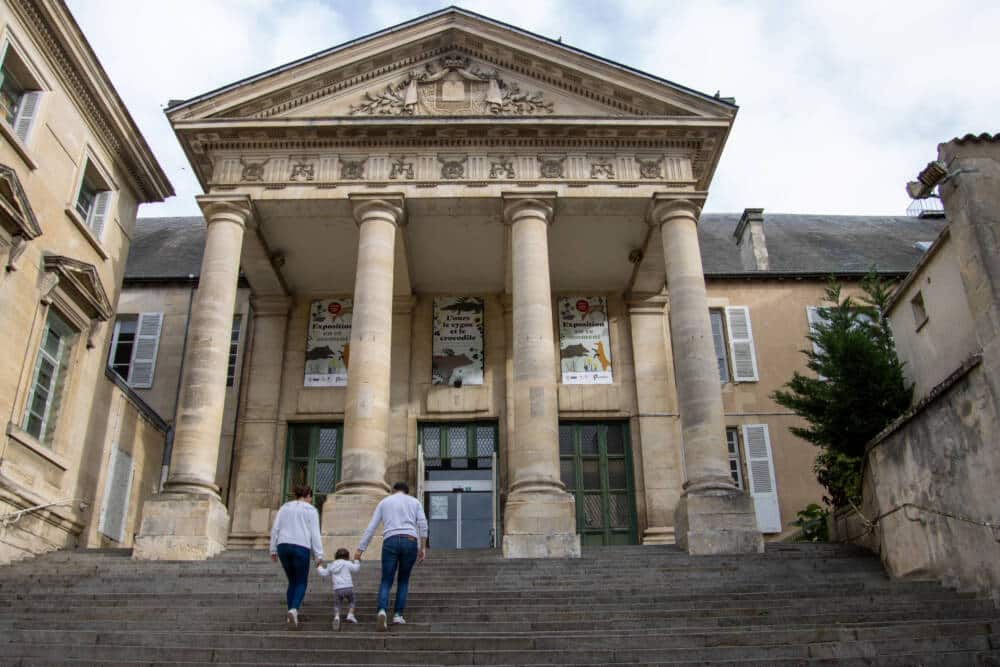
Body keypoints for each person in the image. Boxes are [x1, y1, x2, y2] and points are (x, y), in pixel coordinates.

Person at [354, 481, 428, 632]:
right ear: (406, 491)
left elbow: (371, 527)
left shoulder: (384, 502)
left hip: (390, 540)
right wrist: (423, 546)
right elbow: (423, 524)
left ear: (394, 490)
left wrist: (360, 549)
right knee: (403, 580)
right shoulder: (415, 502)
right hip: (410, 540)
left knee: (386, 580)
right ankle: (398, 615)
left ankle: (382, 610)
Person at [270, 485, 324, 629]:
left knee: (292, 581)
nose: (311, 500)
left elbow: (275, 528)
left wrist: (272, 549)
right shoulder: (311, 510)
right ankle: (294, 610)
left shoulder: (284, 507)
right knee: (301, 581)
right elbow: (315, 534)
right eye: (310, 497)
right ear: (308, 496)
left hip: (283, 545)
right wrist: (319, 555)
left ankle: (290, 612)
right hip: (301, 546)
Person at [317, 548, 360, 630]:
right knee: (352, 601)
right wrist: (357, 560)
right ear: (347, 556)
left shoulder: (332, 565)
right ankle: (350, 615)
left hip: (337, 589)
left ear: (336, 556)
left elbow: (323, 573)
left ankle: (337, 617)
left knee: (337, 604)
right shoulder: (347, 563)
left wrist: (319, 566)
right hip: (348, 587)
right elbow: (356, 568)